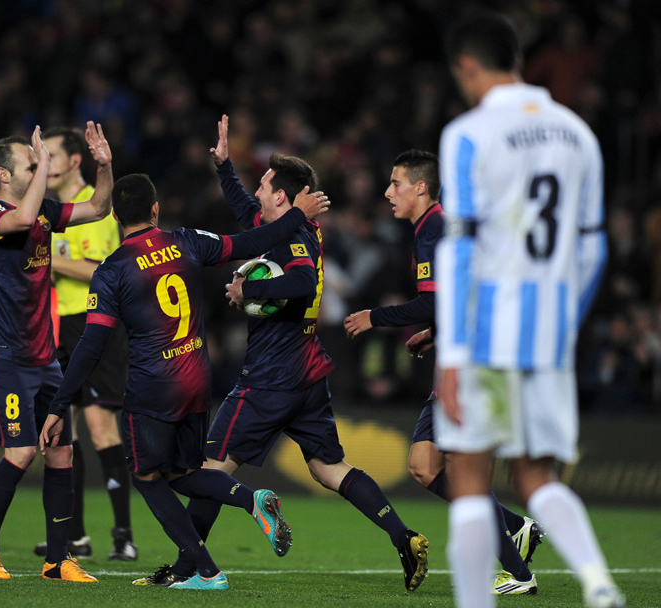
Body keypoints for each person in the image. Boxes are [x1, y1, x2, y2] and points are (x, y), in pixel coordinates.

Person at [147, 115, 429, 592]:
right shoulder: (288, 228)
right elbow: (244, 214)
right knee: (327, 468)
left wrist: (247, 294)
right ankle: (404, 538)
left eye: (263, 184)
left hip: (269, 377)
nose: (257, 190)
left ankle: (190, 568)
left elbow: (299, 283)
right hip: (305, 373)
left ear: (281, 196)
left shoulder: (297, 237)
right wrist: (224, 168)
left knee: (209, 467)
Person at [40, 172, 331, 591]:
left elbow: (90, 347)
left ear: (117, 217)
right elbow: (246, 244)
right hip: (197, 378)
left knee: (145, 477)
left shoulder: (112, 270)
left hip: (152, 387)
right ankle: (250, 501)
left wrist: (57, 406)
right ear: (155, 210)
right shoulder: (188, 240)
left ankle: (207, 570)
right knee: (182, 473)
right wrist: (296, 217)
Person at [435, 13, 624, 608]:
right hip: (548, 336)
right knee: (538, 479)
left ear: (467, 66)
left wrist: (453, 353)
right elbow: (593, 247)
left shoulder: (469, 134)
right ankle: (597, 581)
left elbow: (459, 246)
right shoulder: (578, 133)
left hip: (487, 334)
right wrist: (563, 321)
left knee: (468, 482)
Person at [344, 149, 543, 595]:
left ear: (420, 187)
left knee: (462, 471)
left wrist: (374, 316)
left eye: (395, 183)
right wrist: (434, 333)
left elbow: (435, 299)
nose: (387, 192)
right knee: (423, 465)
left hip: (472, 364)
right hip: (459, 354)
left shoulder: (434, 229)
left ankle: (521, 574)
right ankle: (516, 527)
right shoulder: (435, 228)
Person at [0, 122, 113, 583]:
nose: (39, 165)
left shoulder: (45, 210)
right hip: (2, 354)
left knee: (61, 454)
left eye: (41, 161)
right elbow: (24, 220)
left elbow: (98, 205)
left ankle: (57, 558)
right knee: (21, 452)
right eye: (30, 163)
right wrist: (49, 163)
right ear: (4, 176)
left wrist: (104, 166)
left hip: (43, 355)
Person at [29, 126, 136, 562]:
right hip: (54, 330)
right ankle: (75, 536)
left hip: (98, 327)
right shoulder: (49, 213)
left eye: (50, 156)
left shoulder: (101, 210)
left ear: (74, 161)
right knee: (59, 432)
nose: (43, 165)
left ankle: (123, 536)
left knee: (99, 428)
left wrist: (54, 260)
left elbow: (107, 272)